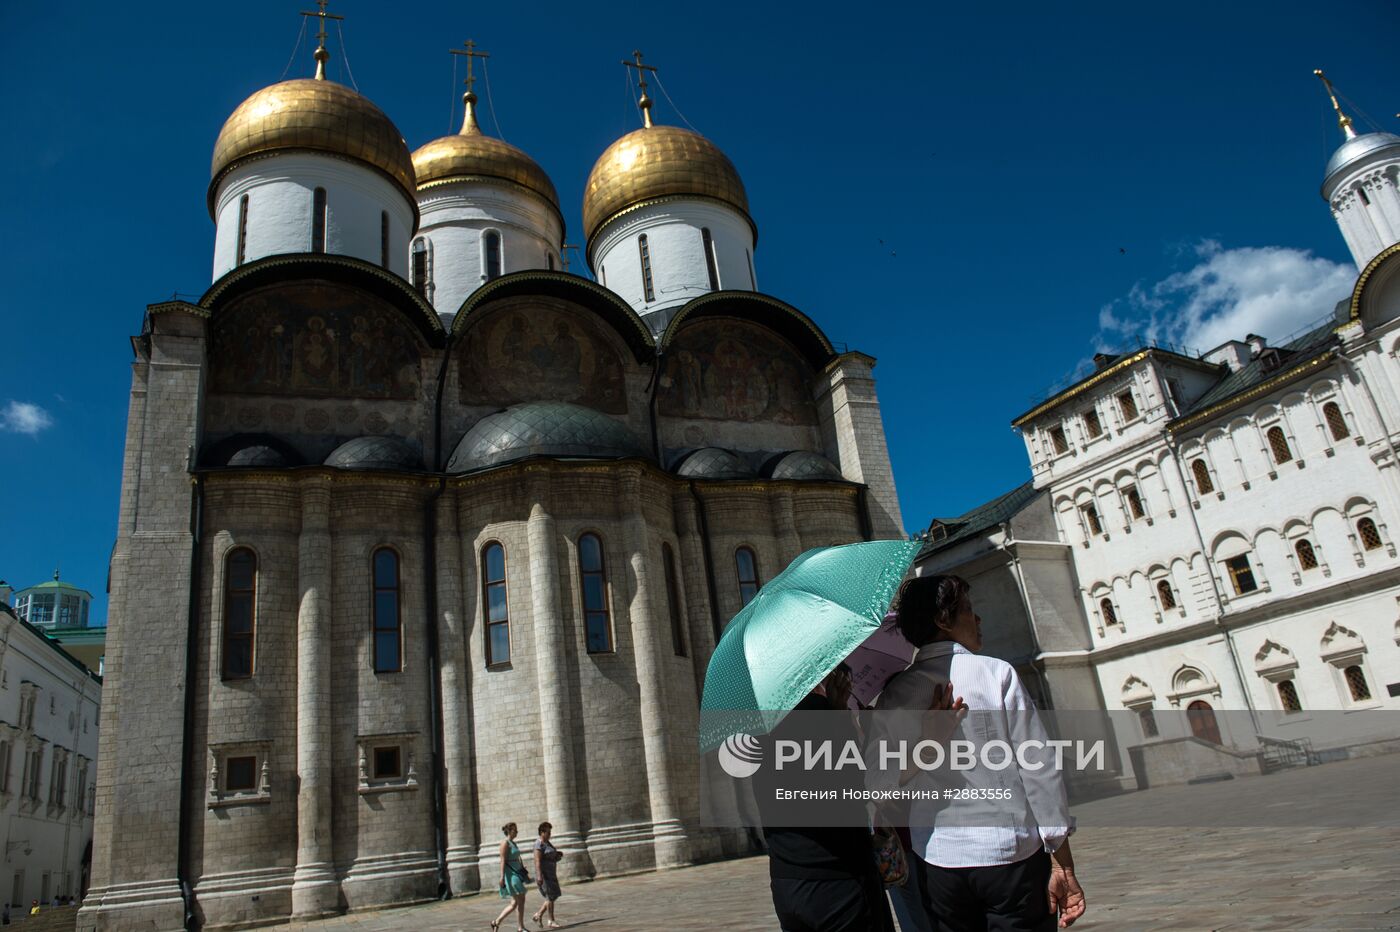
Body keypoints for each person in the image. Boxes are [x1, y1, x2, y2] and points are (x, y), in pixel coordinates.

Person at [879, 575, 1086, 932]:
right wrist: (1062, 863)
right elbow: (1038, 769)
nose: (978, 620)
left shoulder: (897, 694)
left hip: (938, 860)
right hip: (1010, 856)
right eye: (969, 610)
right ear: (942, 620)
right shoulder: (996, 674)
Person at [753, 663, 895, 932]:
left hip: (788, 882)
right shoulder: (819, 714)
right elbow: (857, 786)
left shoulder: (760, 726)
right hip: (838, 881)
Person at [491, 823, 529, 932]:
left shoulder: (513, 843)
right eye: (515, 830)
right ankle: (520, 927)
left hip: (517, 872)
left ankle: (496, 922)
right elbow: (503, 860)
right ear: (510, 831)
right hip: (511, 875)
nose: (517, 832)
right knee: (521, 899)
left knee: (514, 903)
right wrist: (502, 877)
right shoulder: (505, 843)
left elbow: (516, 858)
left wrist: (522, 869)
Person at [530, 822, 564, 929]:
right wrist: (539, 876)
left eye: (550, 832)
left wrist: (557, 854)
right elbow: (537, 861)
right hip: (544, 875)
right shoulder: (538, 844)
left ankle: (538, 914)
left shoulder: (547, 843)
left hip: (551, 874)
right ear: (542, 832)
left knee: (553, 895)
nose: (550, 834)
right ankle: (551, 920)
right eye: (548, 832)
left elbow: (550, 854)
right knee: (550, 897)